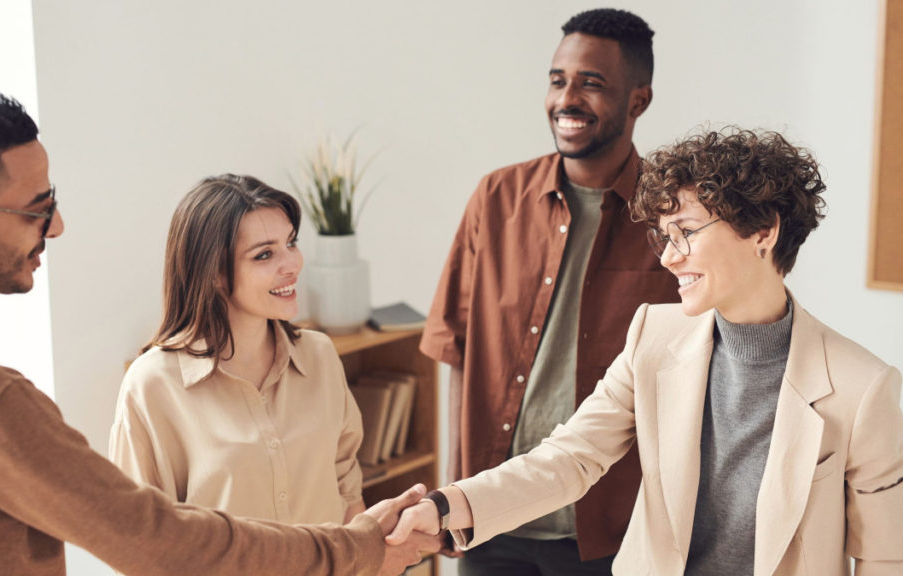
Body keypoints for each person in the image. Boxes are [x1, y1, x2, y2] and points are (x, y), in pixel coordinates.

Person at [0, 89, 438, 575]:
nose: (59, 226)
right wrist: (354, 550)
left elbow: (343, 476)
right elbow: (154, 541)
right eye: (37, 209)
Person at [391, 127, 903, 575]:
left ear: (763, 231)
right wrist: (445, 506)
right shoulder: (652, 337)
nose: (671, 257)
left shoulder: (862, 386)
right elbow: (569, 458)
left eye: (686, 232)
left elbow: (885, 555)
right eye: (664, 237)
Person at [420, 8, 678, 574]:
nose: (568, 98)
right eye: (558, 80)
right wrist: (455, 492)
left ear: (638, 101)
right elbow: (458, 352)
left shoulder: (670, 217)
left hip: (610, 528)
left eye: (592, 83)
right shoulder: (495, 198)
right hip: (490, 518)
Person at [109, 174, 366, 526]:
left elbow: (347, 488)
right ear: (213, 271)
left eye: (291, 242)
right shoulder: (153, 385)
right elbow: (139, 536)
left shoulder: (319, 356)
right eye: (264, 255)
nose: (291, 264)